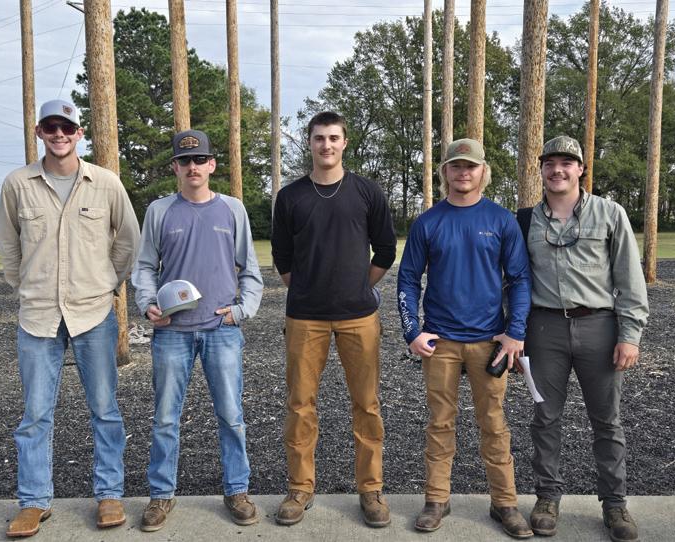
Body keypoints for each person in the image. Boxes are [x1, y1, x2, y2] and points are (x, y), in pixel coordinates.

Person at [0, 99, 140, 538]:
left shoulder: (105, 183)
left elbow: (128, 241)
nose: (59, 134)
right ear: (39, 132)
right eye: (51, 127)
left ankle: (109, 495)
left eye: (67, 127)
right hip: (37, 318)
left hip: (93, 314)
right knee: (35, 415)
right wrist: (26, 287)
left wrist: (107, 282)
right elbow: (9, 246)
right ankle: (34, 502)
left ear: (80, 133)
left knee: (105, 410)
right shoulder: (17, 184)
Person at [397, 138, 533, 538]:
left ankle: (504, 502)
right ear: (445, 172)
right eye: (455, 166)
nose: (463, 173)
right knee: (440, 422)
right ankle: (437, 499)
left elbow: (519, 279)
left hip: (489, 342)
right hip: (440, 342)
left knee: (494, 423)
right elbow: (407, 280)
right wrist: (412, 330)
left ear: (482, 172)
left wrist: (515, 332)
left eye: (470, 166)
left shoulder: (501, 220)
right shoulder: (428, 222)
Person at [132, 129, 263, 531]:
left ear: (212, 165)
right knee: (165, 418)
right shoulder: (159, 211)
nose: (193, 167)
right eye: (184, 160)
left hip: (221, 329)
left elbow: (250, 269)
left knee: (231, 415)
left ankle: (237, 490)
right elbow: (144, 267)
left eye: (200, 160)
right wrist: (148, 304)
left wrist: (241, 311)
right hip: (173, 331)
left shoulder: (232, 209)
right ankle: (161, 495)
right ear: (175, 166)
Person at [271, 111, 396, 527]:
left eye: (333, 138)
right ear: (309, 143)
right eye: (319, 138)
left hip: (358, 317)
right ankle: (300, 488)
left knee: (367, 404)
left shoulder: (366, 191)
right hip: (305, 318)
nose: (326, 145)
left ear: (345, 142)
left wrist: (359, 286)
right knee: (300, 404)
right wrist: (307, 289)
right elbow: (282, 256)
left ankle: (371, 489)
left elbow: (385, 249)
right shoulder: (291, 197)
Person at [522, 136, 649, 542]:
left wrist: (630, 335)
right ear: (541, 169)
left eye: (567, 162)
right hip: (545, 329)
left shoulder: (610, 213)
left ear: (581, 169)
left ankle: (615, 504)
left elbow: (630, 279)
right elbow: (513, 281)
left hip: (599, 326)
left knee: (607, 420)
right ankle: (547, 497)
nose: (557, 169)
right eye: (550, 163)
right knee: (545, 417)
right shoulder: (525, 221)